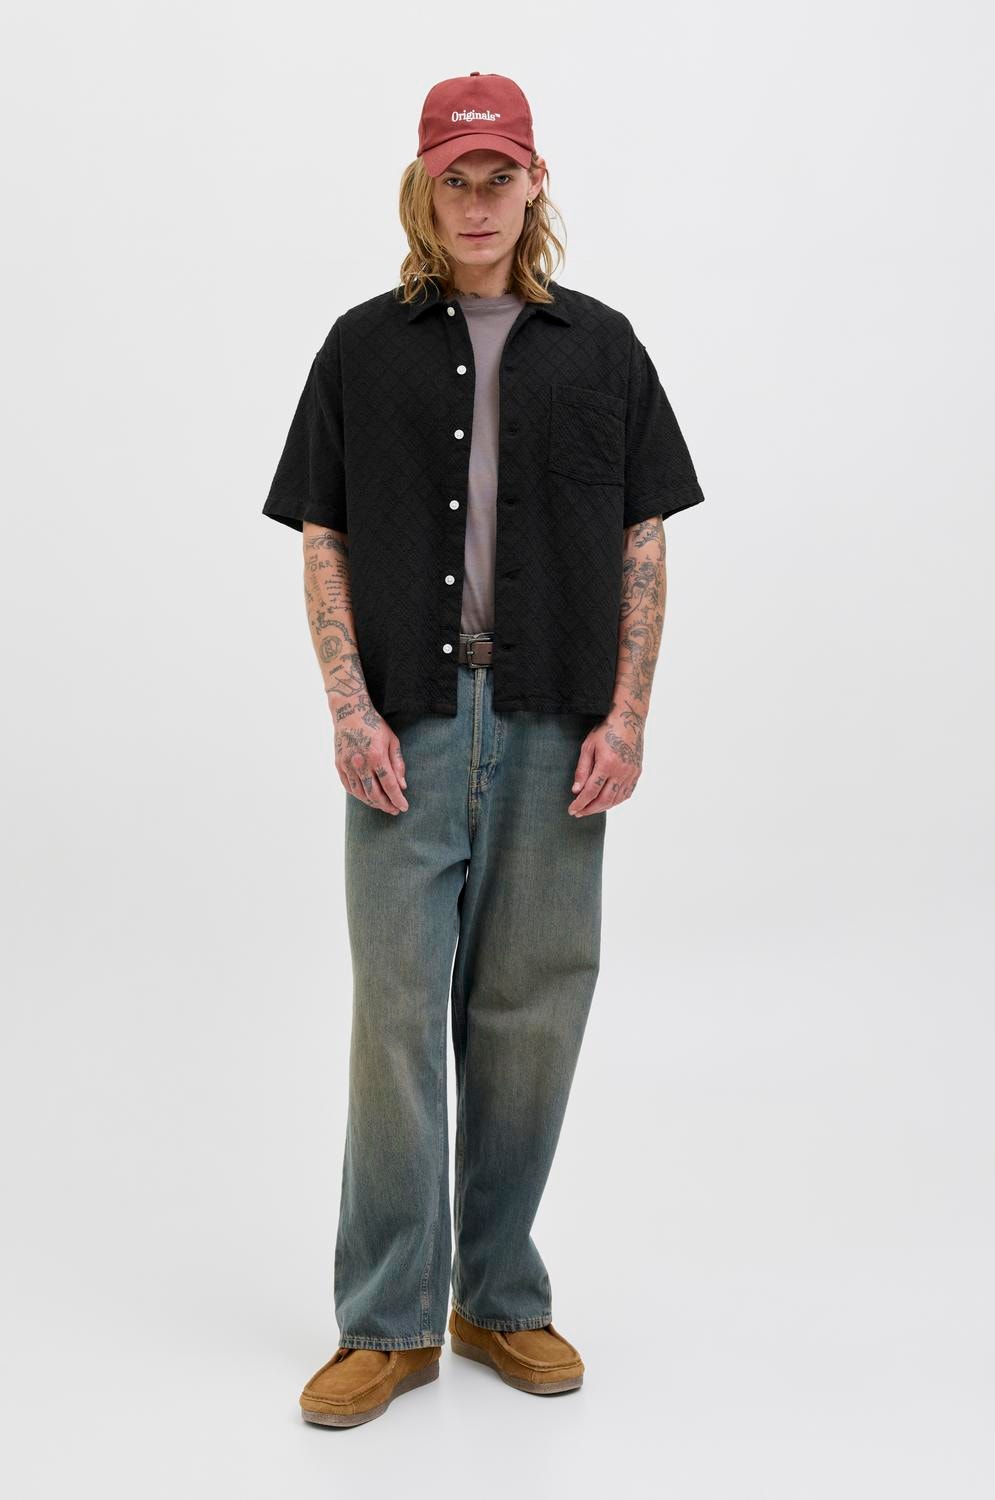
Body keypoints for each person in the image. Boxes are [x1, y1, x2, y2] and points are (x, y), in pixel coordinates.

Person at [262, 70, 705, 1428]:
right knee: (395, 1018)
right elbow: (324, 533)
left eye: (497, 176)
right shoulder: (360, 347)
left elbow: (642, 541)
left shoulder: (604, 348)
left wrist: (628, 715)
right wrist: (348, 708)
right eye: (453, 178)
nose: (475, 202)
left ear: (533, 182)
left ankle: (498, 1299)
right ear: (422, 187)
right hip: (406, 719)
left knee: (530, 1017)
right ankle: (385, 1324)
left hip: (555, 721)